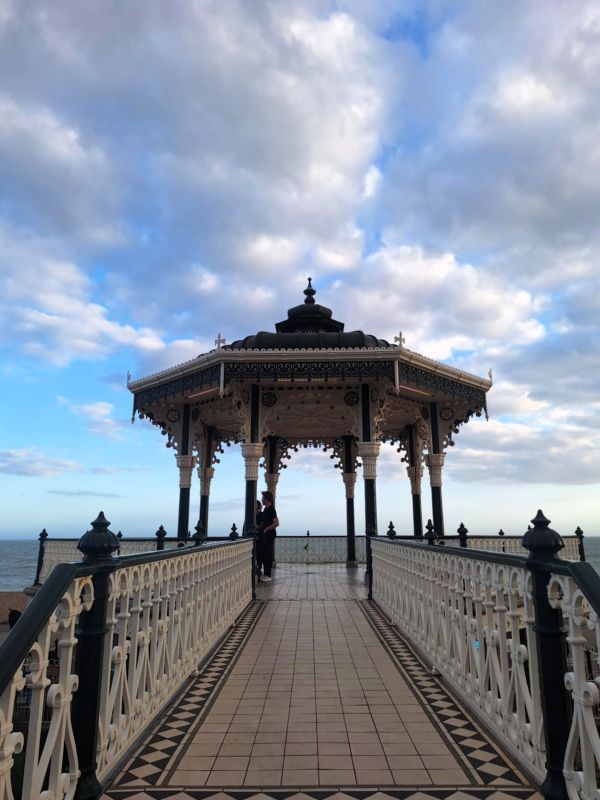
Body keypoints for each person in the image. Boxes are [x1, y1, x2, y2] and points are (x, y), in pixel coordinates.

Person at [257, 490, 279, 582]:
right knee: (264, 553)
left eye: (263, 498)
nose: (261, 500)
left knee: (268, 554)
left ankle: (268, 575)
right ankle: (265, 574)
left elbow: (276, 523)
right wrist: (259, 527)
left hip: (269, 535)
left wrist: (266, 529)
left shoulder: (271, 509)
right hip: (265, 535)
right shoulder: (265, 509)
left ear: (267, 499)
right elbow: (265, 521)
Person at [255, 500, 264, 577]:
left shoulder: (261, 514)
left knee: (259, 554)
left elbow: (262, 524)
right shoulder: (250, 515)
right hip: (252, 538)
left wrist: (258, 527)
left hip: (260, 537)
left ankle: (259, 568)